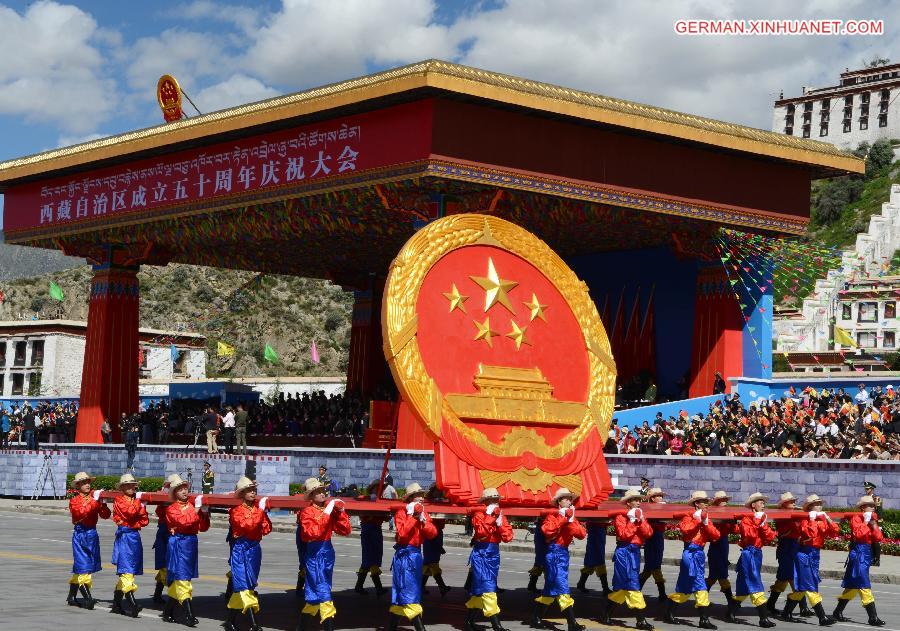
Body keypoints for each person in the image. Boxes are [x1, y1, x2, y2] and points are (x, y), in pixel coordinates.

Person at [297, 477, 351, 631]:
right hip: (315, 554)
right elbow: (312, 532)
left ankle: (300, 628)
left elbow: (345, 530)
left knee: (314, 597)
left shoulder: (327, 509)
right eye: (318, 491)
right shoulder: (307, 512)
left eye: (323, 490)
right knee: (323, 591)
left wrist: (340, 512)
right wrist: (327, 513)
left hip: (327, 552)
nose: (322, 493)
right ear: (311, 495)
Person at [530, 487, 587, 631]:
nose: (568, 501)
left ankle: (536, 618)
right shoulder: (552, 515)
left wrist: (572, 519)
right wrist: (562, 517)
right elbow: (548, 531)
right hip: (554, 553)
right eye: (565, 498)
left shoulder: (570, 516)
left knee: (550, 590)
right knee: (562, 587)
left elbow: (581, 534)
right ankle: (572, 623)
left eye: (569, 498)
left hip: (563, 553)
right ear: (559, 502)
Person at [664, 490, 720, 630]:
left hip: (699, 554)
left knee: (685, 587)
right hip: (690, 553)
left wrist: (706, 523)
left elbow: (716, 536)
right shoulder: (688, 517)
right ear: (697, 504)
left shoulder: (706, 518)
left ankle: (669, 612)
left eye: (707, 502)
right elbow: (686, 530)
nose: (707, 504)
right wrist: (696, 519)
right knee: (699, 584)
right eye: (704, 502)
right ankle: (703, 619)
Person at [780, 494, 839, 626]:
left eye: (820, 503)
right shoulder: (805, 520)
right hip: (804, 554)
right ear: (810, 507)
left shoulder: (820, 519)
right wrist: (812, 520)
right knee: (811, 585)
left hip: (814, 554)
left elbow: (835, 532)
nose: (820, 506)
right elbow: (810, 534)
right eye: (816, 504)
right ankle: (822, 617)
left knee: (802, 588)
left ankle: (786, 612)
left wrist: (828, 519)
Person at [162, 473, 211, 626]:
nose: (184, 491)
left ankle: (167, 612)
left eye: (185, 488)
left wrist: (204, 513)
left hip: (190, 543)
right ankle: (189, 615)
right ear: (174, 492)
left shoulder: (190, 506)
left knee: (182, 579)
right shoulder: (171, 509)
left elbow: (203, 527)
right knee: (183, 579)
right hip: (178, 543)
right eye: (180, 489)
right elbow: (184, 522)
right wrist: (196, 511)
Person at [224, 476, 272, 631]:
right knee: (244, 586)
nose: (253, 493)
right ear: (242, 493)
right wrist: (260, 513)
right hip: (241, 550)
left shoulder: (257, 510)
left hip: (254, 550)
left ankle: (230, 621)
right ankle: (254, 625)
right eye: (249, 490)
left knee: (247, 587)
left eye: (254, 490)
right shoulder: (236, 511)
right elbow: (247, 526)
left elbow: (265, 529)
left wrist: (262, 514)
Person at [602, 488, 654, 631]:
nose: (639, 502)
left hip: (635, 552)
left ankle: (606, 614)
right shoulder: (621, 517)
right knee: (633, 584)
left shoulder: (640, 515)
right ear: (628, 503)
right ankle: (641, 620)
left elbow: (648, 533)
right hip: (624, 551)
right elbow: (624, 535)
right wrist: (632, 521)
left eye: (639, 500)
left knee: (623, 588)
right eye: (635, 500)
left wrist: (641, 520)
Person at [389, 482, 437, 631]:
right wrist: (414, 517)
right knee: (410, 592)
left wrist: (422, 519)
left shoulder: (423, 513)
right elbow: (402, 535)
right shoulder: (402, 512)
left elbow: (433, 533)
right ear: (410, 498)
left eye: (422, 495)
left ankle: (392, 626)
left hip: (416, 555)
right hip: (405, 556)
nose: (422, 498)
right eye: (418, 495)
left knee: (407, 592)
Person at [832, 495, 885, 626]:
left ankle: (837, 611)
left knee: (852, 586)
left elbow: (878, 538)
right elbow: (858, 534)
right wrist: (866, 523)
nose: (873, 507)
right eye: (870, 505)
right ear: (862, 507)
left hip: (866, 552)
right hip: (858, 552)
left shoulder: (872, 518)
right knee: (863, 584)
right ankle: (873, 617)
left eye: (873, 505)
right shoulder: (856, 518)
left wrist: (873, 525)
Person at [465, 487, 513, 631]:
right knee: (489, 587)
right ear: (485, 502)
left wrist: (499, 523)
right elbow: (481, 532)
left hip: (494, 554)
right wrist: (491, 516)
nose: (496, 502)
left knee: (480, 592)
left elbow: (508, 537)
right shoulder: (478, 515)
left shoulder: (500, 515)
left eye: (497, 499)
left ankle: (468, 621)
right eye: (492, 500)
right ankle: (496, 625)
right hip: (481, 554)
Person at [67, 471, 111, 609]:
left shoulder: (93, 499)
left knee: (85, 566)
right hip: (81, 534)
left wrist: (103, 504)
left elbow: (105, 515)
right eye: (83, 483)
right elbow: (80, 512)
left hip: (92, 533)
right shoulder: (74, 501)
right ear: (78, 486)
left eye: (88, 482)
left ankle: (72, 596)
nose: (87, 485)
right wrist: (95, 501)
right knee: (84, 566)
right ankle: (88, 598)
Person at [733, 492, 776, 628]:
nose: (763, 504)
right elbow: (749, 535)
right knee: (755, 581)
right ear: (753, 505)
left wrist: (762, 523)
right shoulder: (746, 519)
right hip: (749, 553)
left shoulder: (761, 518)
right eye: (761, 502)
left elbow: (770, 537)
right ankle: (763, 618)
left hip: (757, 553)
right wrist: (760, 522)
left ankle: (730, 611)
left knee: (743, 588)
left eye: (764, 502)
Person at [767, 492, 812, 617]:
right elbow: (783, 532)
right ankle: (803, 606)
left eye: (794, 501)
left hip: (794, 548)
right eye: (791, 501)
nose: (794, 503)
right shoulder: (781, 516)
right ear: (784, 504)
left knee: (783, 579)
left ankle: (770, 604)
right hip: (786, 549)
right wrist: (796, 520)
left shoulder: (796, 514)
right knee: (792, 576)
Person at [110, 472, 149, 617]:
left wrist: (138, 511)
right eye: (128, 485)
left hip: (134, 536)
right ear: (122, 487)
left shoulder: (136, 501)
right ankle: (133, 604)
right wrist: (139, 508)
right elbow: (131, 513)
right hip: (125, 537)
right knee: (127, 570)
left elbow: (144, 521)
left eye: (133, 485)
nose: (131, 487)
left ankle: (116, 604)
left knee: (130, 570)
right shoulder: (119, 500)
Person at [706, 491, 739, 622]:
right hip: (716, 544)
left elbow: (734, 530)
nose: (725, 501)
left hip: (723, 544)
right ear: (717, 501)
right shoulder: (712, 513)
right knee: (718, 574)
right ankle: (730, 600)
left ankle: (703, 597)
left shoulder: (727, 513)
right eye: (722, 499)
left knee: (717, 575)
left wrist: (733, 522)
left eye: (725, 499)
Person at [639, 487, 668, 600]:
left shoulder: (663, 507)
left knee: (656, 566)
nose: (660, 498)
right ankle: (636, 590)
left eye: (661, 495)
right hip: (651, 538)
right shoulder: (646, 509)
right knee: (651, 566)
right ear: (652, 498)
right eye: (658, 496)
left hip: (658, 538)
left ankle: (661, 594)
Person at [355, 510, 388, 596]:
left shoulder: (370, 503)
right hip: (371, 529)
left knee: (371, 558)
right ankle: (377, 588)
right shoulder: (368, 503)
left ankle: (361, 586)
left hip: (373, 528)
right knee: (371, 558)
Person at [576, 518, 610, 594]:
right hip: (596, 530)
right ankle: (605, 587)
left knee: (592, 559)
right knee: (598, 559)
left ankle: (581, 583)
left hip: (599, 530)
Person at [152, 480, 172, 604]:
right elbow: (159, 512)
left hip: (171, 535)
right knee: (166, 567)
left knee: (166, 567)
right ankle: (174, 597)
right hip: (165, 535)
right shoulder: (163, 504)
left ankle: (157, 594)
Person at [422, 517, 451, 595]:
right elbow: (436, 543)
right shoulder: (437, 530)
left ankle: (421, 587)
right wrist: (441, 549)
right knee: (435, 569)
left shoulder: (430, 527)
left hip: (428, 551)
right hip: (433, 553)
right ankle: (442, 587)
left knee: (427, 569)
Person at [864, 482, 883, 566]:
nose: (866, 490)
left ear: (872, 489)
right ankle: (871, 558)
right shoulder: (864, 498)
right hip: (868, 523)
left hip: (875, 523)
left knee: (876, 542)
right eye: (866, 488)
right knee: (869, 541)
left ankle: (877, 559)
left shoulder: (876, 498)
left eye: (868, 489)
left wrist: (880, 525)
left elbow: (879, 512)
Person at [526, 516, 547, 593]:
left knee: (539, 561)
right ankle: (548, 587)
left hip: (543, 532)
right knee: (542, 561)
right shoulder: (543, 522)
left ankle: (532, 584)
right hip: (542, 533)